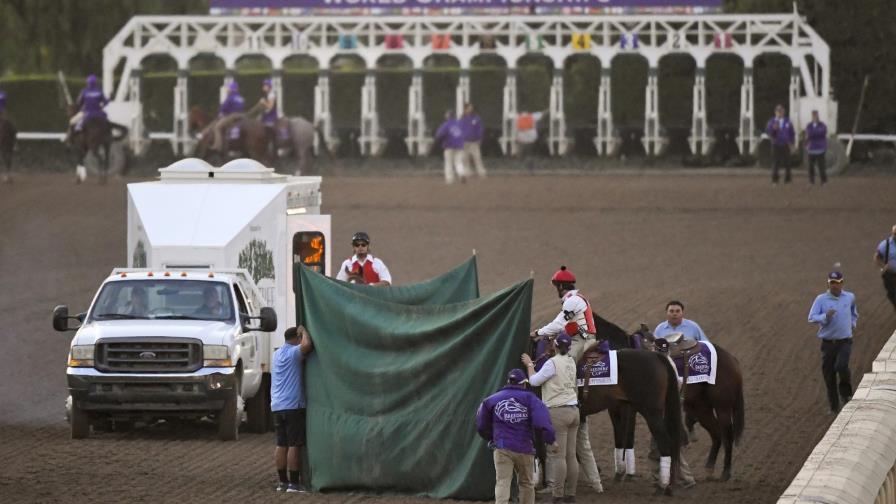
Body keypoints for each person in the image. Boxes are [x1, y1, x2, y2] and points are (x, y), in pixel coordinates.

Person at [476, 369, 556, 504]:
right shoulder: (531, 399)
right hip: (524, 447)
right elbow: (541, 421)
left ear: (508, 381)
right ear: (524, 383)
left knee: (502, 482)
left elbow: (481, 424)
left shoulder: (491, 400)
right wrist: (551, 439)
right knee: (526, 484)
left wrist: (491, 437)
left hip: (502, 447)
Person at [522, 333, 579, 504]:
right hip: (574, 410)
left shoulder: (551, 363)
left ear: (554, 345)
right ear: (568, 347)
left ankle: (558, 495)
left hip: (558, 411)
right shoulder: (571, 361)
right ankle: (571, 494)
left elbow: (534, 381)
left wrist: (529, 364)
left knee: (559, 456)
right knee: (571, 456)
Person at [808, 271, 858, 414]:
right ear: (828, 283)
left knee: (841, 366)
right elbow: (811, 318)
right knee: (829, 375)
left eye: (837, 283)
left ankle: (846, 394)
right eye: (832, 283)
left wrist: (852, 324)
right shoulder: (821, 300)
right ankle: (834, 406)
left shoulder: (849, 297)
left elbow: (854, 312)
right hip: (828, 343)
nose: (834, 286)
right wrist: (825, 316)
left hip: (845, 341)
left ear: (842, 283)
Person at [271, 325, 314, 492]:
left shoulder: (276, 354)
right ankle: (294, 484)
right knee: (294, 445)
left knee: (281, 445)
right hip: (292, 406)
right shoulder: (293, 353)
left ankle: (282, 482)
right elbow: (307, 346)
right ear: (296, 338)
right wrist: (304, 332)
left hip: (277, 405)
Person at [531, 266, 597, 363]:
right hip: (579, 336)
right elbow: (564, 326)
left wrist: (537, 333)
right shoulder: (574, 299)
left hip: (583, 339)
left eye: (556, 286)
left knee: (564, 362)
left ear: (561, 286)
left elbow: (558, 325)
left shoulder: (572, 301)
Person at [64, 74, 108, 144]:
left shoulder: (84, 91)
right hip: (99, 113)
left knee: (72, 121)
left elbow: (79, 102)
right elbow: (105, 102)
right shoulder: (99, 91)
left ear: (87, 83)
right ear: (95, 82)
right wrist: (100, 106)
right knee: (107, 121)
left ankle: (69, 139)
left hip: (87, 112)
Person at [434, 110, 467, 184]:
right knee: (458, 162)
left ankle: (449, 179)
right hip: (460, 145)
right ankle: (461, 174)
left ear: (448, 116)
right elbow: (464, 133)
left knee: (448, 163)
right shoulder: (459, 124)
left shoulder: (446, 124)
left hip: (449, 146)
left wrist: (440, 140)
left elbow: (439, 134)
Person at [765, 104, 795, 184]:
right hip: (776, 144)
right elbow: (769, 132)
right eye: (778, 111)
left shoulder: (787, 121)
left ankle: (788, 179)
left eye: (781, 111)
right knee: (775, 162)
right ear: (775, 112)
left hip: (786, 144)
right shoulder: (771, 121)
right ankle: (775, 179)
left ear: (784, 112)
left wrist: (792, 143)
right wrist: (774, 129)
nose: (780, 113)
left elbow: (792, 133)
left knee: (788, 162)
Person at [212, 81, 246, 153]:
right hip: (242, 115)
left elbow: (224, 107)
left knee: (217, 127)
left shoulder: (230, 97)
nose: (227, 89)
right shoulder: (241, 98)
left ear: (232, 89)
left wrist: (220, 113)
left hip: (233, 116)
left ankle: (217, 146)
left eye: (228, 88)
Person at [460, 103, 487, 178]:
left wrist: (480, 138)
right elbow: (460, 129)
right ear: (465, 109)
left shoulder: (476, 118)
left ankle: (481, 172)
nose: (470, 109)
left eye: (471, 108)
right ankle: (467, 172)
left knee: (477, 157)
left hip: (474, 141)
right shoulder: (462, 118)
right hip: (464, 141)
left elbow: (480, 128)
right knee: (465, 158)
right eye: (469, 108)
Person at [874, 224, 896, 311]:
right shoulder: (885, 244)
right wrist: (883, 266)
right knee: (892, 294)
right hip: (890, 275)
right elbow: (877, 257)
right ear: (892, 233)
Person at [804, 110, 828, 185]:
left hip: (820, 149)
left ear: (818, 116)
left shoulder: (822, 125)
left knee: (822, 166)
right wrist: (815, 133)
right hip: (811, 149)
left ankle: (823, 181)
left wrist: (812, 134)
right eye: (813, 115)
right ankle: (811, 181)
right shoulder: (809, 125)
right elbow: (808, 134)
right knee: (811, 167)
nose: (814, 117)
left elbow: (822, 133)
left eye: (816, 115)